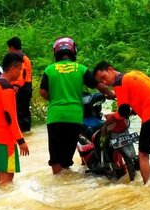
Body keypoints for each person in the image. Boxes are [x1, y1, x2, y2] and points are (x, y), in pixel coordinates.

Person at [39, 37, 115, 175]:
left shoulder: (49, 70)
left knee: (56, 156)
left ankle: (58, 184)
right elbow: (99, 85)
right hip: (74, 117)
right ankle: (67, 178)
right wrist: (110, 94)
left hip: (55, 116)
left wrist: (55, 99)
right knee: (67, 155)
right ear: (73, 50)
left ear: (56, 52)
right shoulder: (81, 69)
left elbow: (43, 92)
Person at [93, 61, 150, 184]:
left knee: (143, 154)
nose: (104, 82)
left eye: (103, 77)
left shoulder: (119, 82)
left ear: (110, 69)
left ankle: (148, 186)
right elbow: (136, 105)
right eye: (101, 81)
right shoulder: (134, 75)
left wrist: (113, 117)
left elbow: (123, 111)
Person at [0, 52, 29, 186]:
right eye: (20, 70)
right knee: (7, 181)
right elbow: (11, 117)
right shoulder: (7, 89)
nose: (21, 73)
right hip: (6, 141)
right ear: (13, 69)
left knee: (0, 178)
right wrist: (21, 140)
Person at [7, 37, 32, 132]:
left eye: (9, 48)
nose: (8, 50)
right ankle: (27, 133)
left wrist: (16, 85)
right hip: (27, 87)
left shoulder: (18, 58)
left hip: (21, 88)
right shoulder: (25, 57)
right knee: (25, 112)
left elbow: (21, 72)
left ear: (12, 47)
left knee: (19, 112)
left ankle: (21, 135)